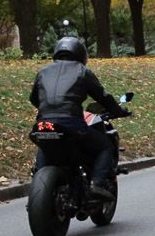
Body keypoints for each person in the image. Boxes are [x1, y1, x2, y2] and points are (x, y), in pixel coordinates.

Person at [29, 37, 129, 199]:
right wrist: (117, 110)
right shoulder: (82, 71)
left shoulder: (43, 72)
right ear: (80, 54)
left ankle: (37, 178)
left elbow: (34, 99)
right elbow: (102, 96)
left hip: (42, 124)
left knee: (44, 144)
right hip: (71, 124)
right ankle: (97, 183)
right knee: (104, 146)